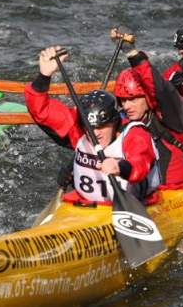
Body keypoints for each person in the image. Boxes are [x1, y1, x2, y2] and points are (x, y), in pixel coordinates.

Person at [24, 46, 160, 204]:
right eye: (91, 127)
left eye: (103, 126)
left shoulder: (135, 134)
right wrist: (44, 76)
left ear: (115, 121)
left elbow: (140, 162)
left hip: (133, 205)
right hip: (84, 206)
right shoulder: (81, 127)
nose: (96, 133)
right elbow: (40, 110)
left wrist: (119, 167)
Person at [114, 39, 183, 187]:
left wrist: (133, 54)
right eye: (123, 100)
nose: (127, 106)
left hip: (179, 191)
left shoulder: (170, 118)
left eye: (134, 99)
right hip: (146, 192)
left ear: (147, 97)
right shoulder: (122, 124)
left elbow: (160, 89)